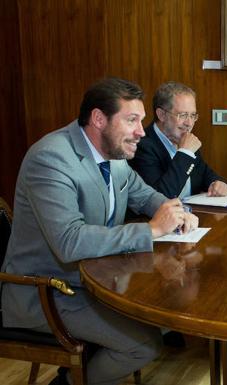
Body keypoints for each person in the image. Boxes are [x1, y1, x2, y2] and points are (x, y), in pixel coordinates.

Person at [1, 78, 199, 385]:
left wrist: (176, 212)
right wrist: (151, 229)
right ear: (98, 119)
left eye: (141, 121)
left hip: (94, 280)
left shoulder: (112, 153)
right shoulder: (51, 159)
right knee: (142, 345)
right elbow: (69, 242)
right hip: (47, 291)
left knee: (163, 316)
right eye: (132, 120)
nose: (141, 132)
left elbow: (144, 195)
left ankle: (77, 373)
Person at [129, 81, 227, 199]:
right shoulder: (141, 146)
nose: (189, 123)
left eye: (192, 115)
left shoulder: (187, 141)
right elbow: (160, 197)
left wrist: (218, 184)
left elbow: (209, 176)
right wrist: (185, 153)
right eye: (182, 115)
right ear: (161, 115)